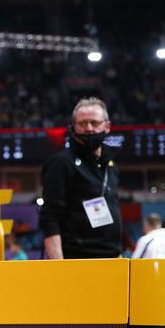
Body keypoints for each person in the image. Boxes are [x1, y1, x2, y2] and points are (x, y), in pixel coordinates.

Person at [39, 97, 122, 259]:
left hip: (112, 259)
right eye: (82, 123)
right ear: (73, 128)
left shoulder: (111, 165)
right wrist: (60, 268)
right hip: (77, 260)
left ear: (107, 126)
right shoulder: (61, 163)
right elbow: (50, 218)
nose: (89, 128)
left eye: (94, 122)